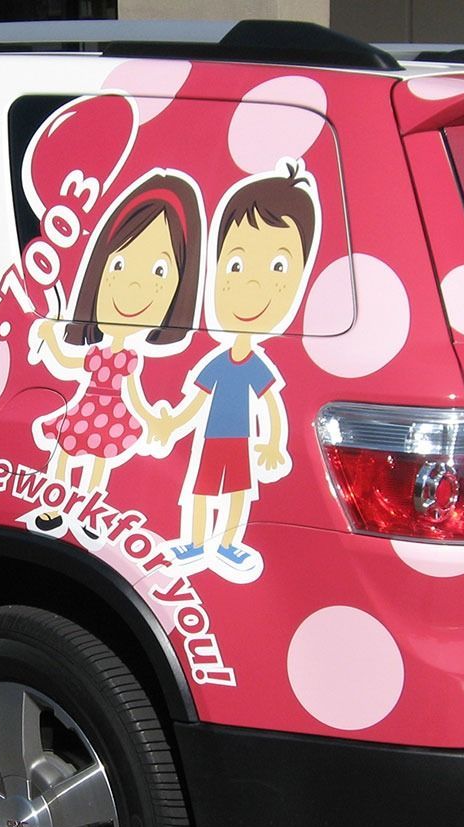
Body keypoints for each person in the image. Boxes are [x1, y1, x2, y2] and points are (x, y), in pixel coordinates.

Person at [147, 161, 319, 577]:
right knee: (203, 490)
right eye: (236, 266)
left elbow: (271, 405)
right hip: (211, 438)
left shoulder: (255, 363)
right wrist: (173, 425)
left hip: (241, 440)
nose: (252, 286)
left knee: (239, 491)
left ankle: (228, 543)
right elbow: (195, 402)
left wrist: (274, 443)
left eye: (278, 267)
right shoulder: (218, 362)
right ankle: (196, 541)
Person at [30, 171, 204, 534]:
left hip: (108, 412)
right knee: (67, 453)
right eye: (119, 265)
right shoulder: (99, 353)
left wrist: (154, 420)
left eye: (159, 270)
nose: (135, 285)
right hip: (89, 409)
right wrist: (48, 333)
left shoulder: (128, 359)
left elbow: (136, 397)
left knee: (94, 461)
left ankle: (90, 511)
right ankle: (56, 505)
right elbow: (67, 361)